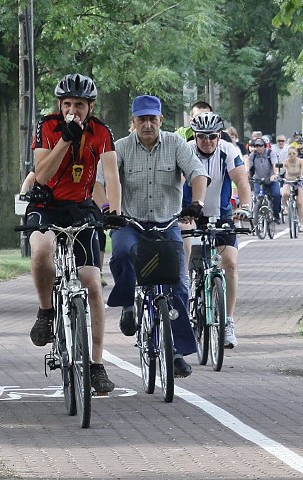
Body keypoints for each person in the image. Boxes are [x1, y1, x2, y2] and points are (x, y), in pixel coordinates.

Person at [26, 73, 121, 394]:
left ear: (90, 107)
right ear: (59, 105)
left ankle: (96, 364)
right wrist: (66, 139)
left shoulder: (101, 132)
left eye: (79, 105)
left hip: (82, 207)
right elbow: (41, 175)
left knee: (92, 283)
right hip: (47, 204)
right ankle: (45, 311)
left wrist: (115, 212)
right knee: (41, 251)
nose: (73, 110)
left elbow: (111, 176)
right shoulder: (48, 127)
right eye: (67, 104)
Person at [107, 94, 209, 378]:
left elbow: (197, 173)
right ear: (133, 122)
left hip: (167, 224)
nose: (148, 124)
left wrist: (197, 203)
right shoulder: (121, 148)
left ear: (161, 120)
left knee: (177, 282)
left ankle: (175, 351)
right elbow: (103, 183)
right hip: (131, 223)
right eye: (142, 119)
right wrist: (109, 209)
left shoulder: (176, 144)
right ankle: (128, 304)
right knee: (123, 252)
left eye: (153, 119)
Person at [181, 112, 252, 348]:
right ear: (195, 136)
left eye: (212, 136)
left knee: (230, 263)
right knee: (185, 252)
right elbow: (177, 181)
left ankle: (228, 321)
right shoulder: (186, 149)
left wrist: (246, 207)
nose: (207, 141)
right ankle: (188, 295)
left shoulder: (229, 151)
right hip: (190, 213)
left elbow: (241, 180)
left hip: (221, 215)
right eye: (202, 136)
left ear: (219, 135)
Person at [248, 137, 282, 223]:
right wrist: (247, 175)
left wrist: (275, 174)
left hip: (270, 180)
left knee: (276, 195)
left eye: (260, 146)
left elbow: (275, 165)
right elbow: (249, 169)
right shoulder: (253, 155)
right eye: (256, 146)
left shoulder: (270, 153)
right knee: (257, 197)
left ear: (264, 146)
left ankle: (276, 214)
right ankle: (258, 216)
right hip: (258, 180)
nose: (258, 148)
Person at [281, 146, 303, 232]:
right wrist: (277, 174)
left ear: (297, 154)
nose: (291, 155)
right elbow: (280, 169)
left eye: (293, 153)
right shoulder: (285, 162)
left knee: (300, 203)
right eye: (289, 154)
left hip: (298, 181)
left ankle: (301, 224)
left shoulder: (300, 161)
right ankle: (285, 206)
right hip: (288, 181)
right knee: (285, 193)